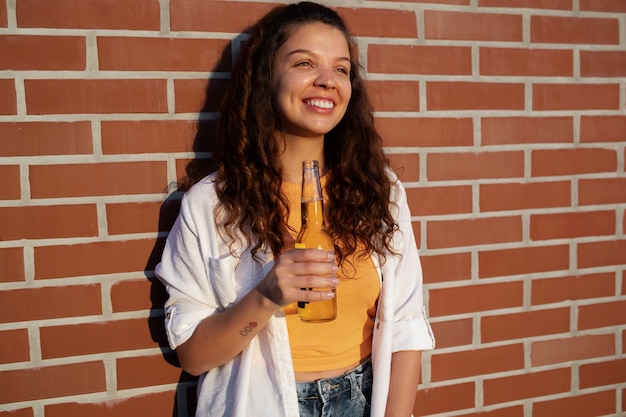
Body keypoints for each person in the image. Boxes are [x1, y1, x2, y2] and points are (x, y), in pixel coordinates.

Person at [156, 2, 435, 417]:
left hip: (364, 398)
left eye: (341, 69)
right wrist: (267, 294)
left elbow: (406, 324)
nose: (327, 81)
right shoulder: (212, 204)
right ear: (268, 76)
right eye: (305, 63)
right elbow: (193, 356)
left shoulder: (381, 192)